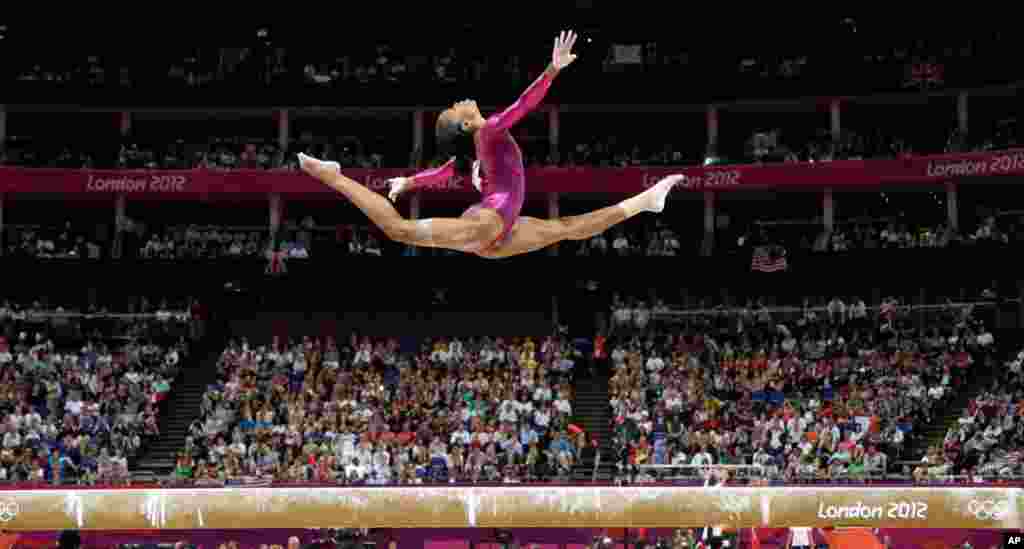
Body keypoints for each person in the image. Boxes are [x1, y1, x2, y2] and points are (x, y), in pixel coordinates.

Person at [297, 30, 684, 258]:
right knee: (399, 231)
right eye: (456, 108)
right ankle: (333, 176)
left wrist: (411, 182)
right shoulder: (490, 130)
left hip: (499, 228)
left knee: (567, 227)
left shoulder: (478, 147)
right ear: (466, 122)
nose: (460, 100)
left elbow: (444, 171)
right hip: (490, 225)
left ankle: (645, 201)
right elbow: (524, 104)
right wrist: (553, 69)